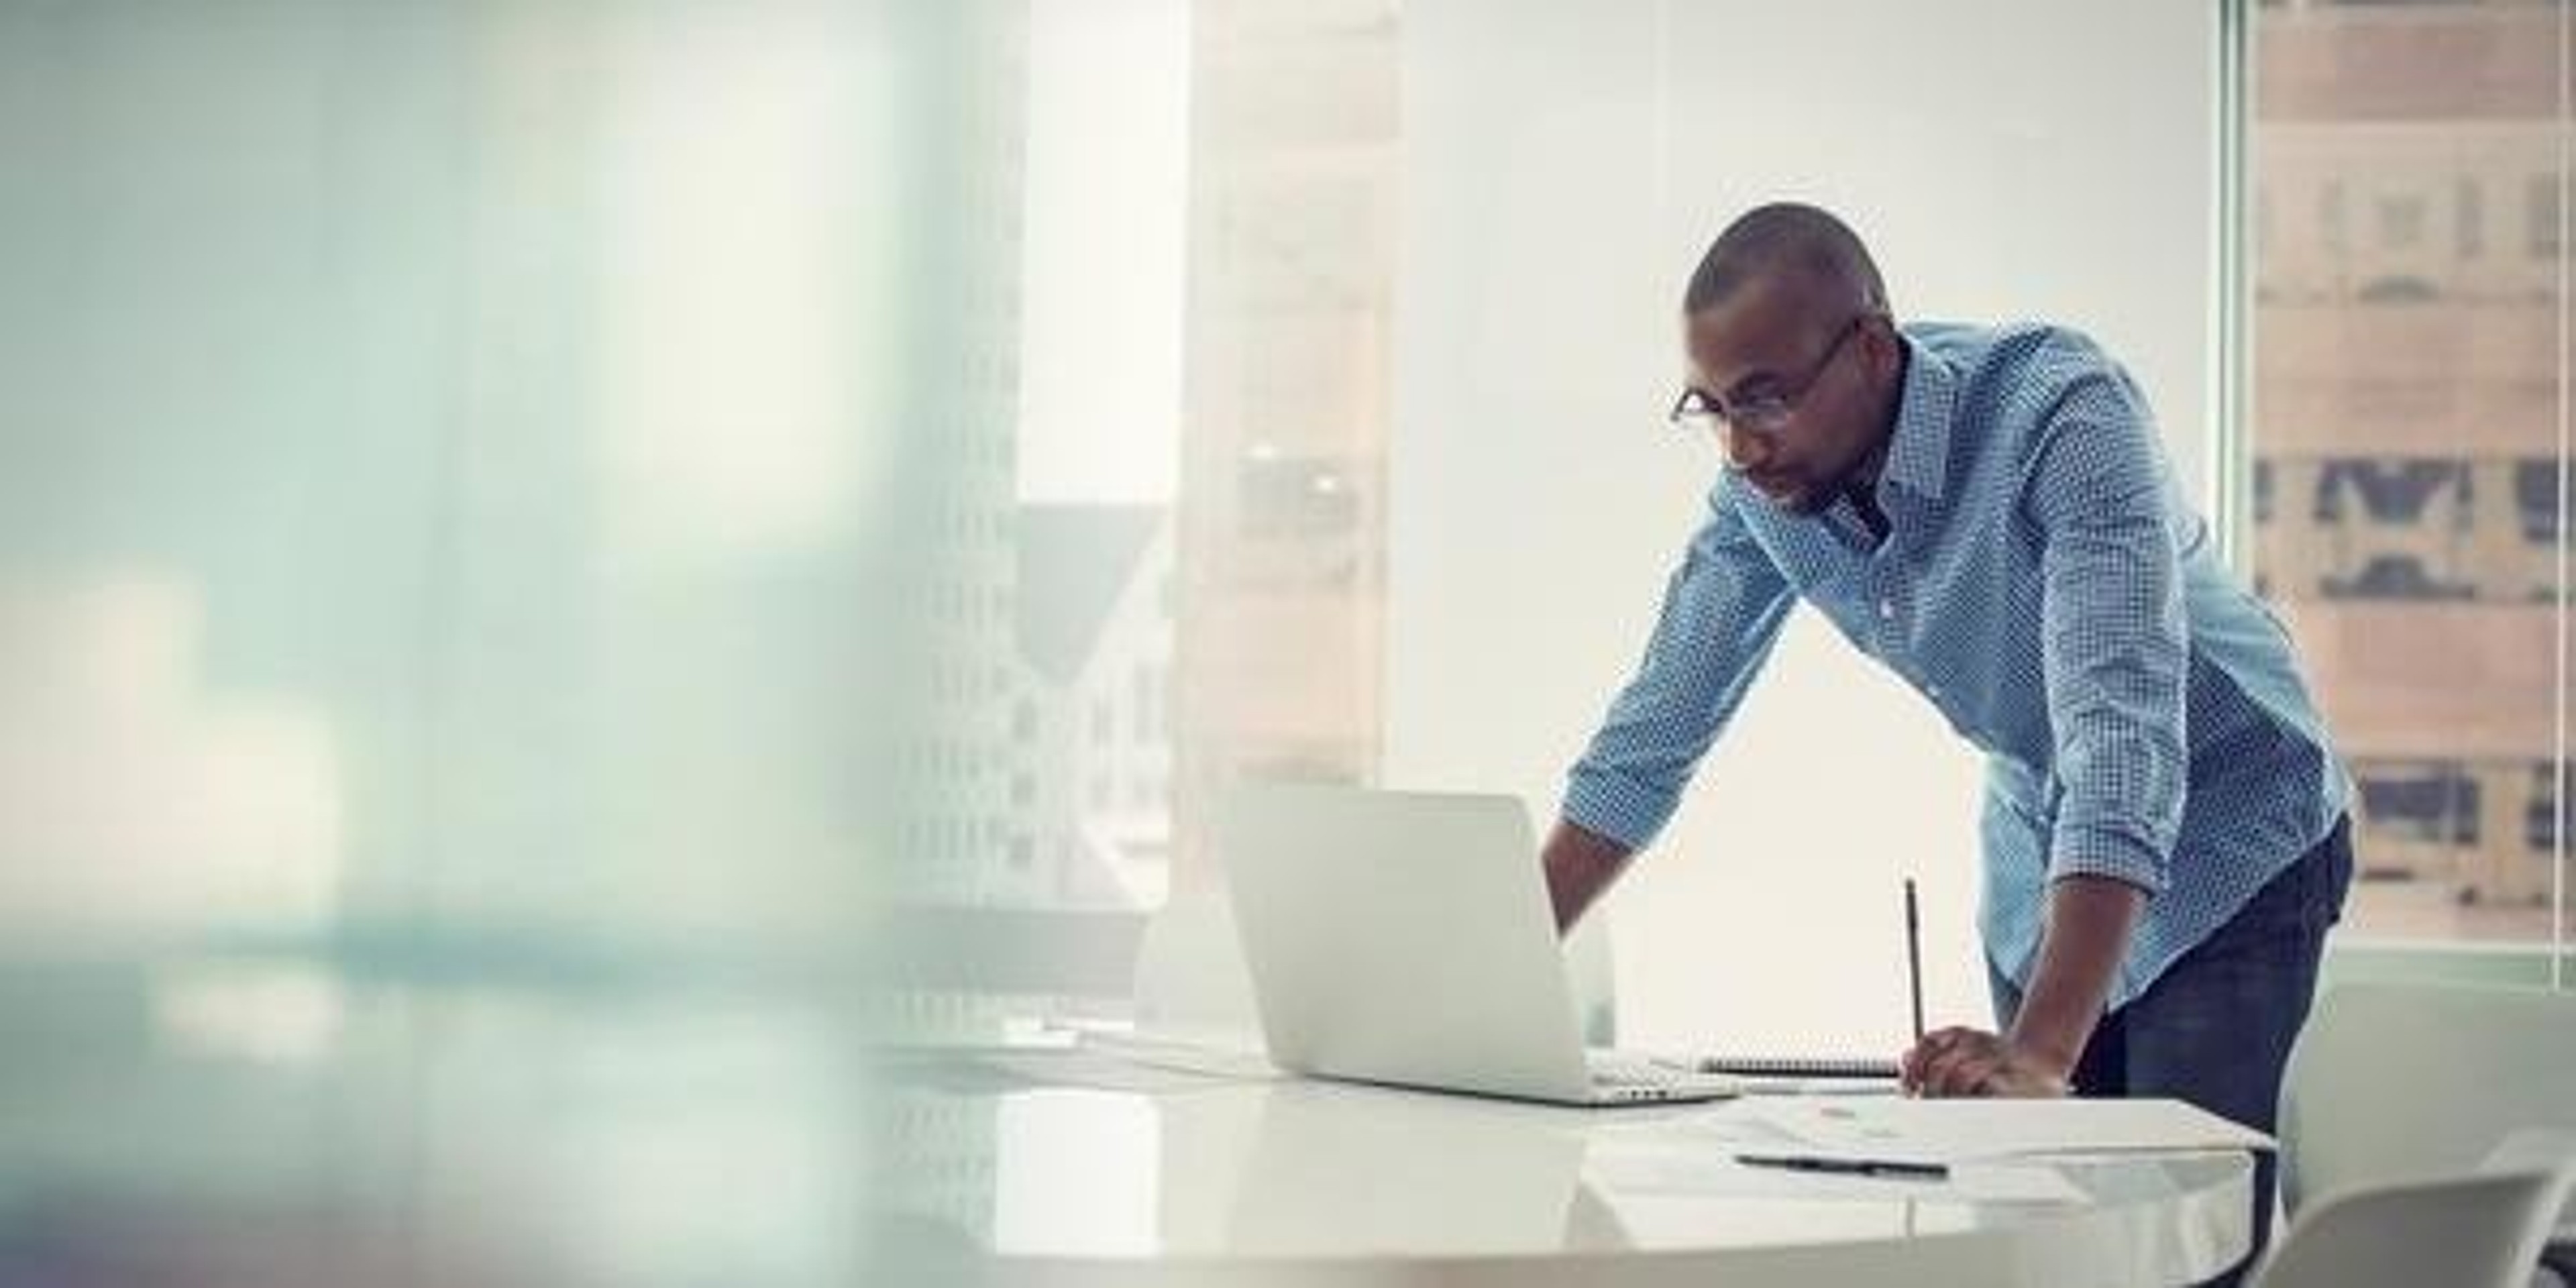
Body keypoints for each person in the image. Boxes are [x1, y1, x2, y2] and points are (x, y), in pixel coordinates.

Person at [1542, 201, 2351, 1269]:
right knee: (2047, 1234)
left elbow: (2120, 733)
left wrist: (2039, 1053)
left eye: (1768, 400)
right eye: (1714, 407)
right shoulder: (1760, 491)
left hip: (2232, 828)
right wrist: (1487, 991)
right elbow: (1657, 727)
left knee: (2184, 1238)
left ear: (1871, 350)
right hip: (2041, 852)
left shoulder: (2063, 413)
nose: (1740, 447)